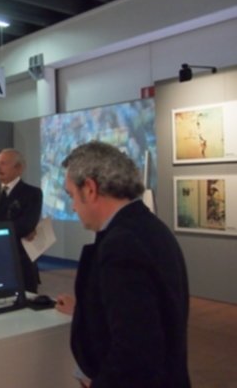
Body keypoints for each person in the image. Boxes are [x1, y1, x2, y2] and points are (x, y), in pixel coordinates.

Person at [56, 141, 190, 388]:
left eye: (72, 195)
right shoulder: (150, 227)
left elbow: (136, 351)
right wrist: (86, 310)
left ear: (90, 189)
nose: (73, 206)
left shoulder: (122, 245)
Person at [0, 148, 42, 293]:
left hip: (20, 260)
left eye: (3, 164)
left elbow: (25, 226)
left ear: (18, 168)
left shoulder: (32, 193)